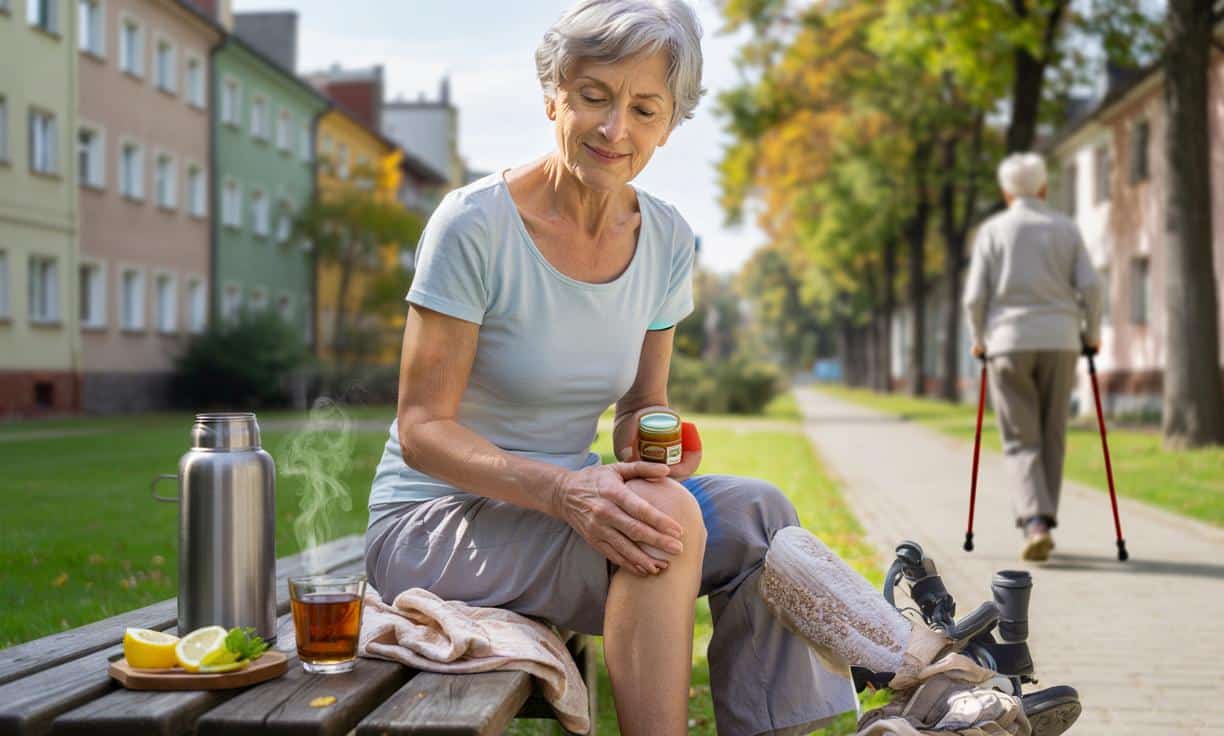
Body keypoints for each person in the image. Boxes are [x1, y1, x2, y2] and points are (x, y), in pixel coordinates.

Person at [363, 2, 1023, 734]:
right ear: (553, 95)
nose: (615, 129)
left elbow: (641, 405)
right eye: (593, 97)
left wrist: (657, 444)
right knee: (669, 522)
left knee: (762, 512)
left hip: (569, 507)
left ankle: (918, 683)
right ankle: (935, 676)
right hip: (437, 524)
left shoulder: (667, 239)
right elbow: (422, 430)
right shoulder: (473, 225)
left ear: (671, 123)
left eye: (645, 109)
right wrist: (565, 491)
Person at [963, 152, 1103, 562]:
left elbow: (975, 296)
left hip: (1008, 341)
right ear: (1043, 188)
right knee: (1052, 431)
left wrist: (978, 338)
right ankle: (1045, 519)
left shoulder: (993, 231)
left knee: (1021, 437)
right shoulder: (1066, 228)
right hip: (1061, 340)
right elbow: (1092, 287)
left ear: (1007, 193)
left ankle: (1035, 522)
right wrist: (1092, 334)